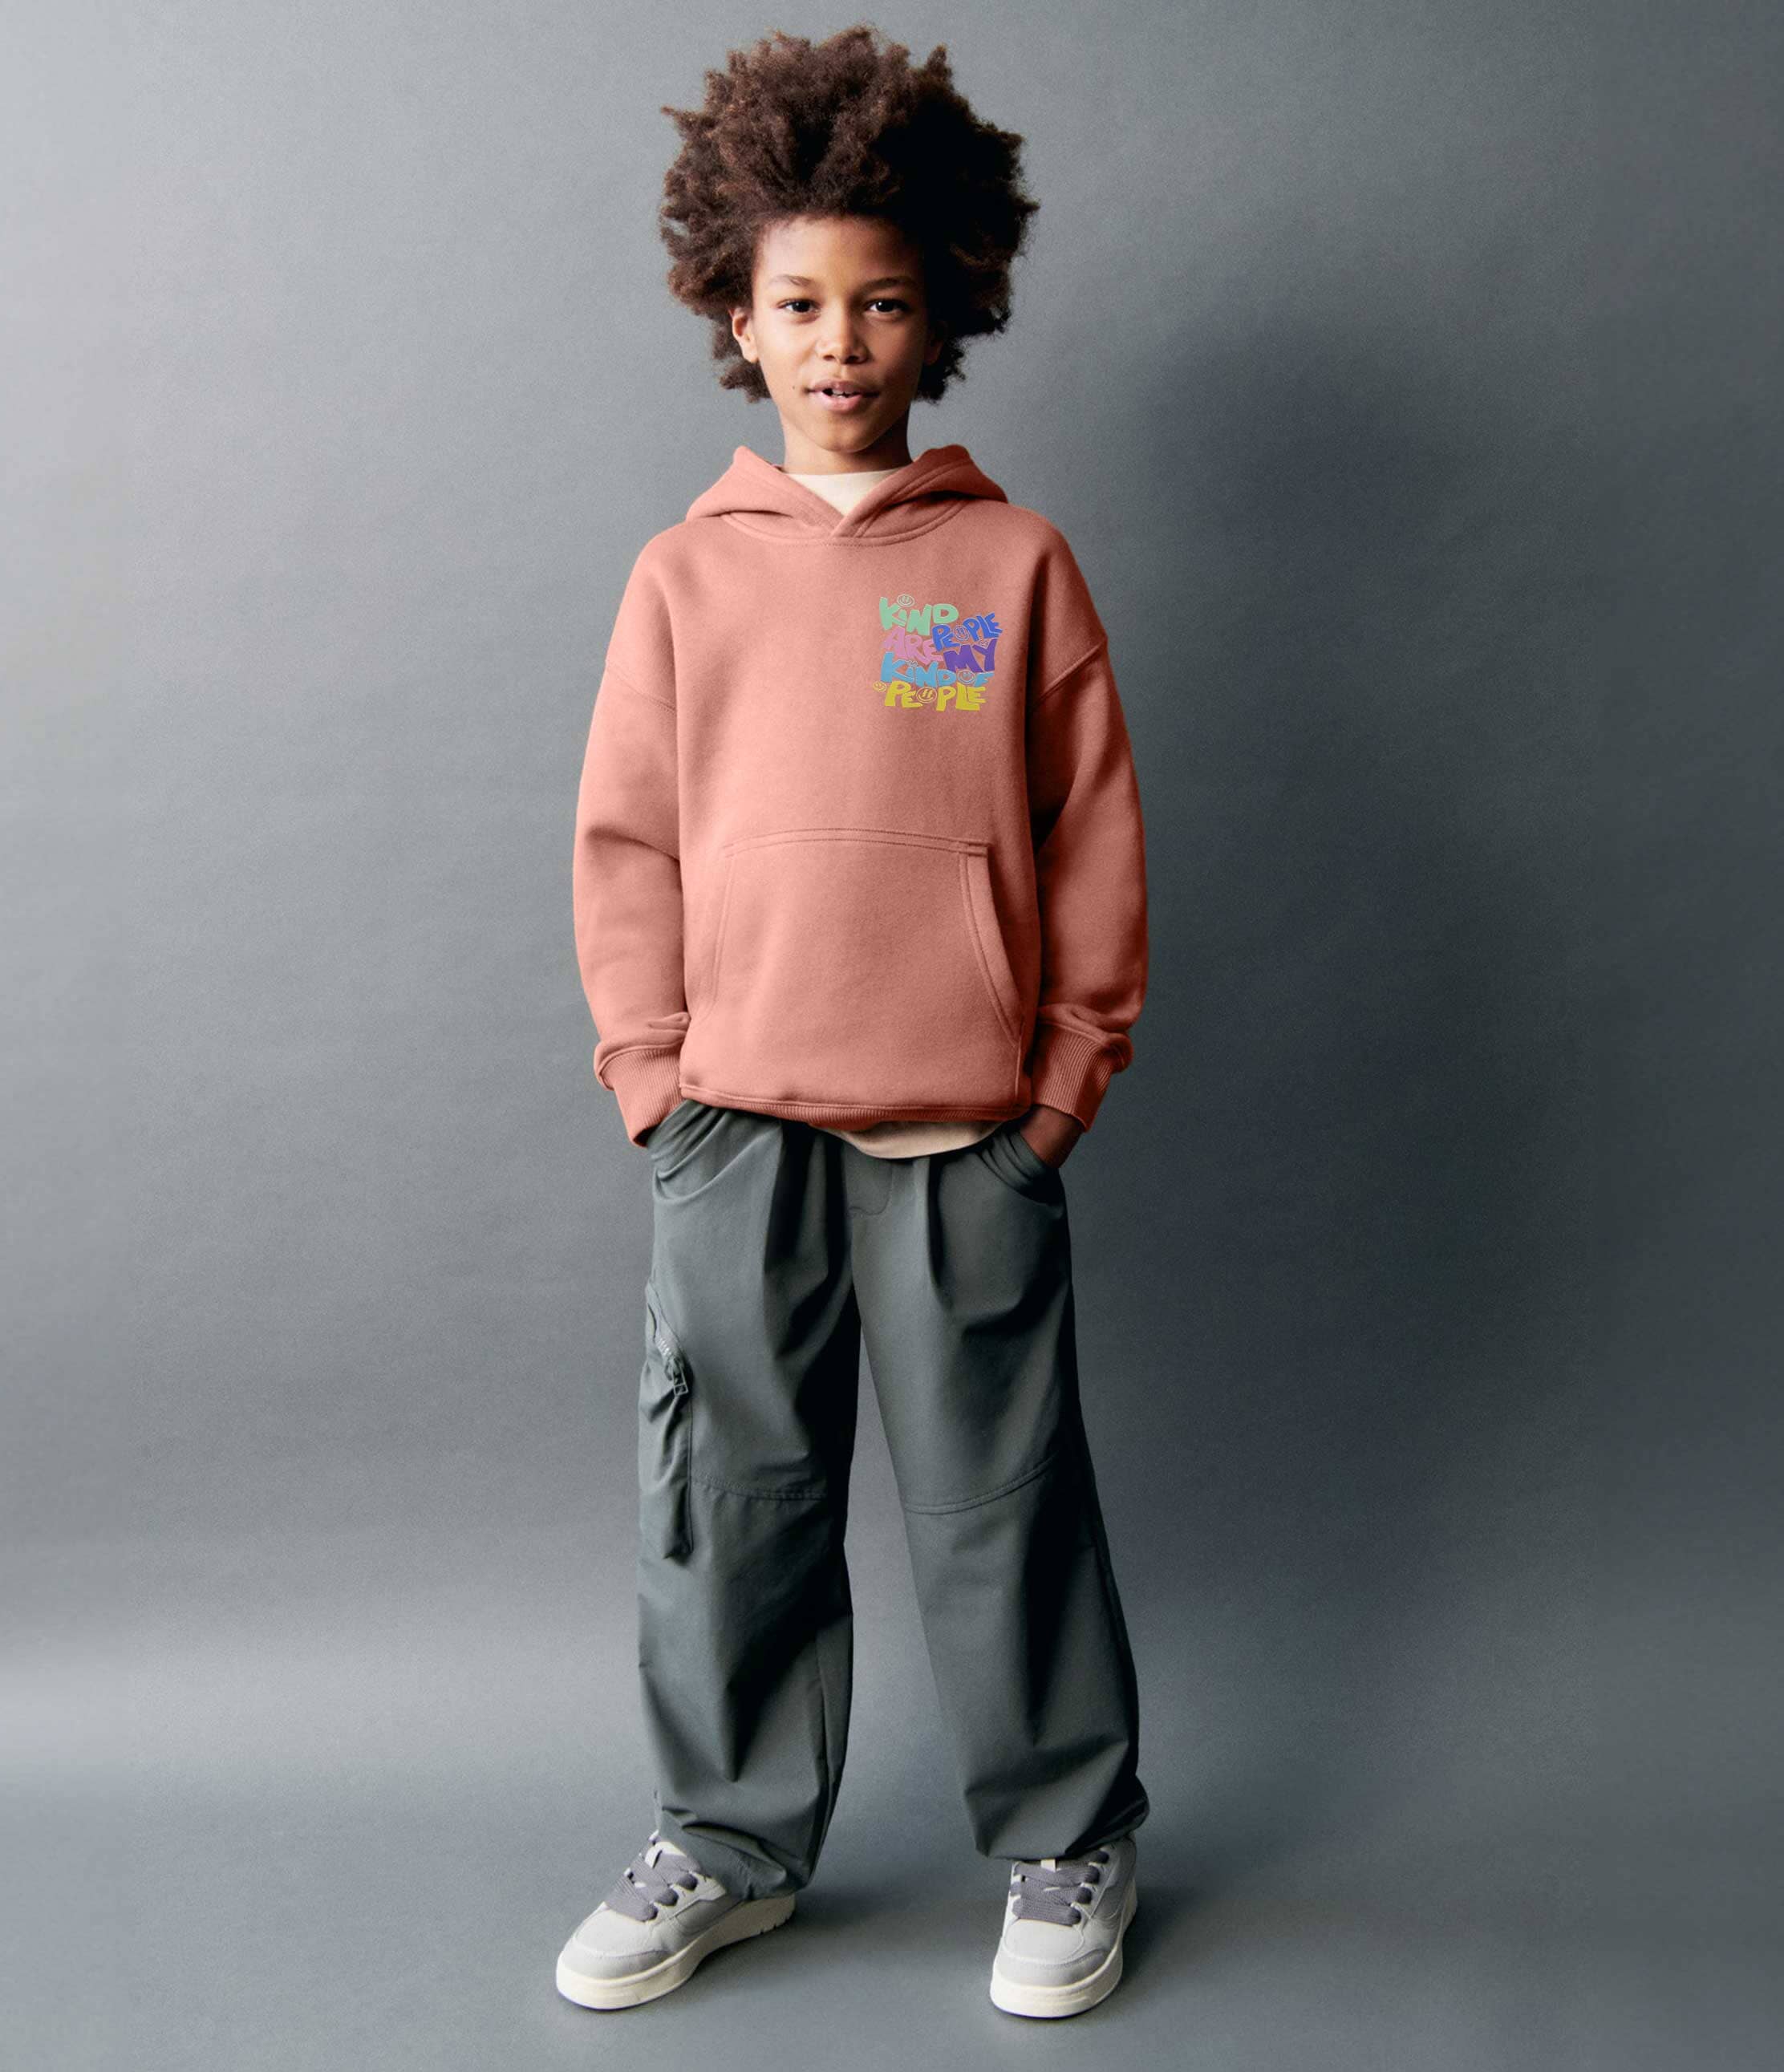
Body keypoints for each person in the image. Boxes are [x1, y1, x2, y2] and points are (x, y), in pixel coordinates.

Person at [560, 24, 1151, 2021]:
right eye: (800, 303)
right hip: (734, 1128)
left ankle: (1069, 1830)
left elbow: (1087, 835)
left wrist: (1058, 1084)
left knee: (1003, 1503)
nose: (839, 342)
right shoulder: (682, 578)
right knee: (727, 1502)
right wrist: (656, 1084)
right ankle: (726, 1839)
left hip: (966, 1133)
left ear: (944, 311)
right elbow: (625, 838)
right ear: (737, 315)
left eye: (880, 303)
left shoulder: (1005, 565)